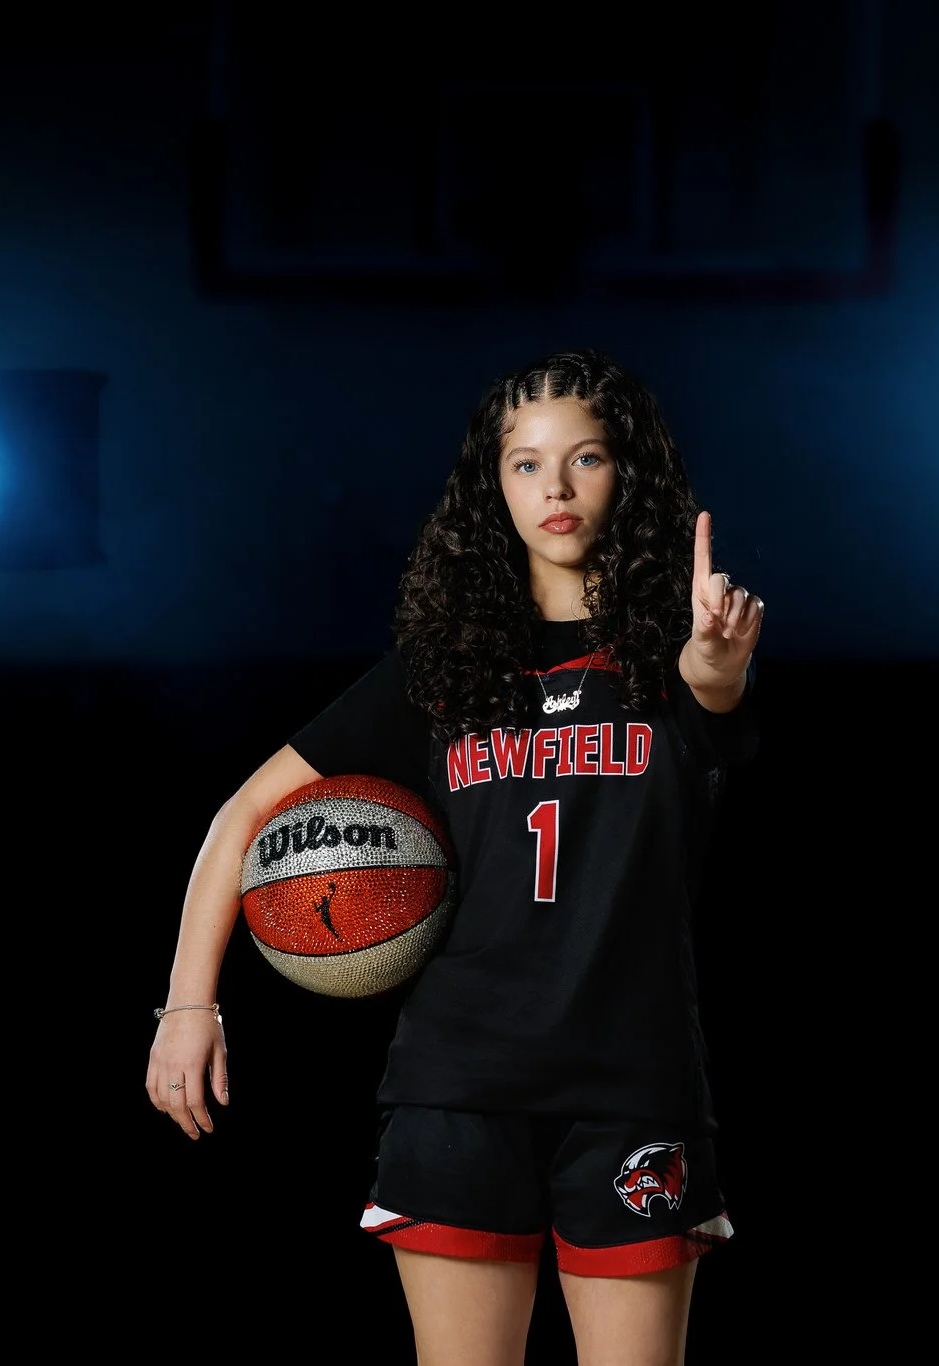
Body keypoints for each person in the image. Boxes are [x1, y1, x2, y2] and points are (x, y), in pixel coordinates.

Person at [145, 347, 763, 1365]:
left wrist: (715, 667)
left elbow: (717, 698)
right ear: (493, 486)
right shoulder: (442, 668)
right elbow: (238, 818)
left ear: (630, 474)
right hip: (456, 1084)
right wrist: (185, 1006)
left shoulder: (681, 652)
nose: (554, 488)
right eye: (524, 464)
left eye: (586, 458)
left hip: (632, 1086)